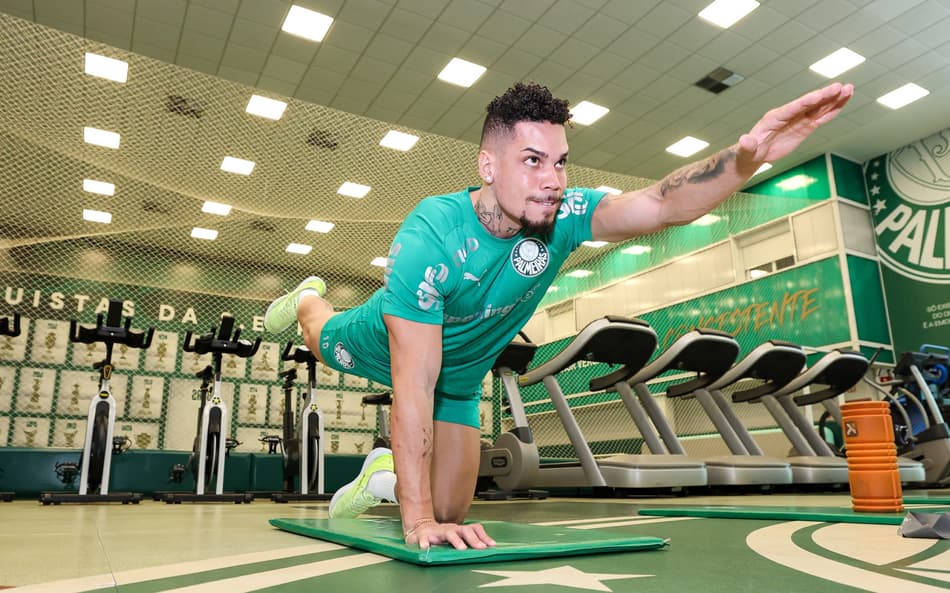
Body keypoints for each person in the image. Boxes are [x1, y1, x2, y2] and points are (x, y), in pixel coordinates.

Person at [263, 80, 854, 550]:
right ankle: (308, 296)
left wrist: (745, 158)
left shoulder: (566, 214)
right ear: (488, 166)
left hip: (464, 377)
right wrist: (414, 522)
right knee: (319, 338)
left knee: (454, 514)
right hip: (388, 341)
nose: (551, 180)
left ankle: (381, 477)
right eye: (532, 160)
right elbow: (412, 386)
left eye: (560, 162)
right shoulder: (432, 236)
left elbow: (658, 203)